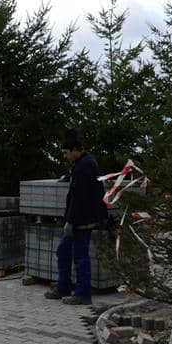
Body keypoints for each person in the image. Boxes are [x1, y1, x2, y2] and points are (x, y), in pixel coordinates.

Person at [45, 130, 107, 305]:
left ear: (74, 150)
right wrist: (67, 178)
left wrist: (70, 222)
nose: (64, 156)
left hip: (82, 220)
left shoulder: (85, 166)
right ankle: (63, 287)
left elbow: (80, 198)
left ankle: (83, 294)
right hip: (78, 218)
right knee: (63, 251)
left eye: (66, 153)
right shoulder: (82, 164)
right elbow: (76, 188)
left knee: (80, 256)